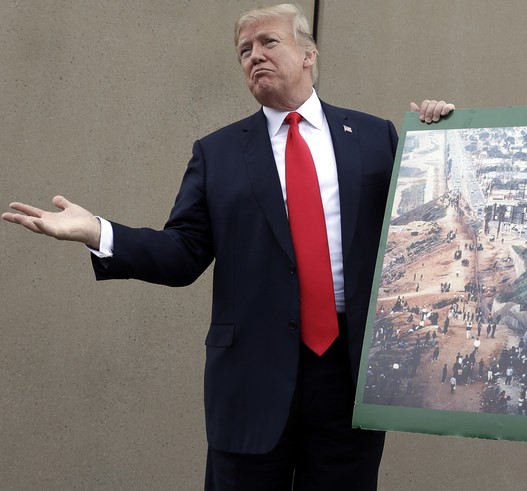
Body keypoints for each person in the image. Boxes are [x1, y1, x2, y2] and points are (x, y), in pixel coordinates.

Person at [2, 4, 453, 490]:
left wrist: (442, 135)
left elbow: (428, 222)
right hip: (250, 379)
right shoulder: (217, 153)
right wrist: (98, 232)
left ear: (308, 54)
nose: (254, 56)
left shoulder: (373, 136)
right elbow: (182, 253)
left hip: (347, 376)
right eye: (244, 50)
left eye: (268, 42)